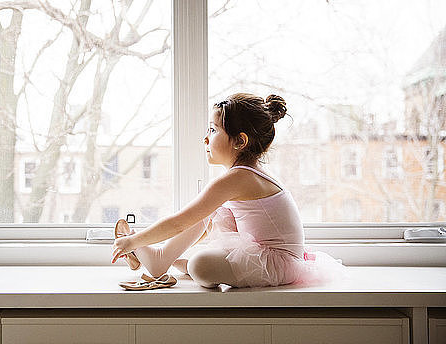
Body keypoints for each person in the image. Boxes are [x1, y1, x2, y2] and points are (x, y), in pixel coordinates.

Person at [111, 93, 346, 289]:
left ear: (239, 141)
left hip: (278, 263)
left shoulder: (239, 178)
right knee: (209, 213)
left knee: (200, 265)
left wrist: (132, 241)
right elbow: (197, 224)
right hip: (268, 254)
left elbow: (179, 222)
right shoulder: (243, 175)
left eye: (213, 131)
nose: (205, 138)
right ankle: (162, 259)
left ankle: (177, 261)